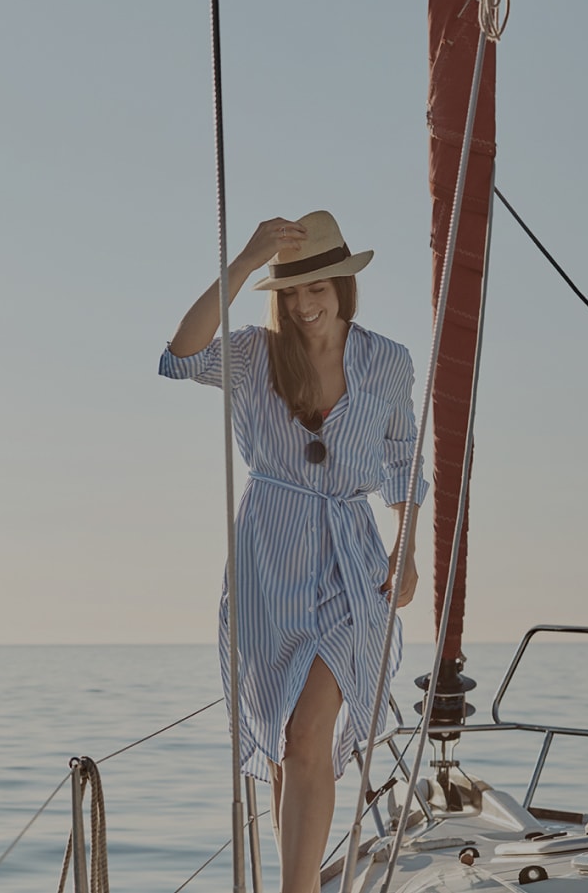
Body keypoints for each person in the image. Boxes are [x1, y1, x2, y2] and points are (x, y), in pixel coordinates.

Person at [158, 210, 426, 893]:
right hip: (268, 561)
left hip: (351, 560)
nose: (305, 305)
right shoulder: (254, 354)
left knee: (310, 733)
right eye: (290, 292)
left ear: (342, 284)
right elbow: (182, 355)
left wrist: (409, 548)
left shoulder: (387, 361)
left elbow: (403, 461)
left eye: (318, 288)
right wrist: (244, 262)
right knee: (287, 749)